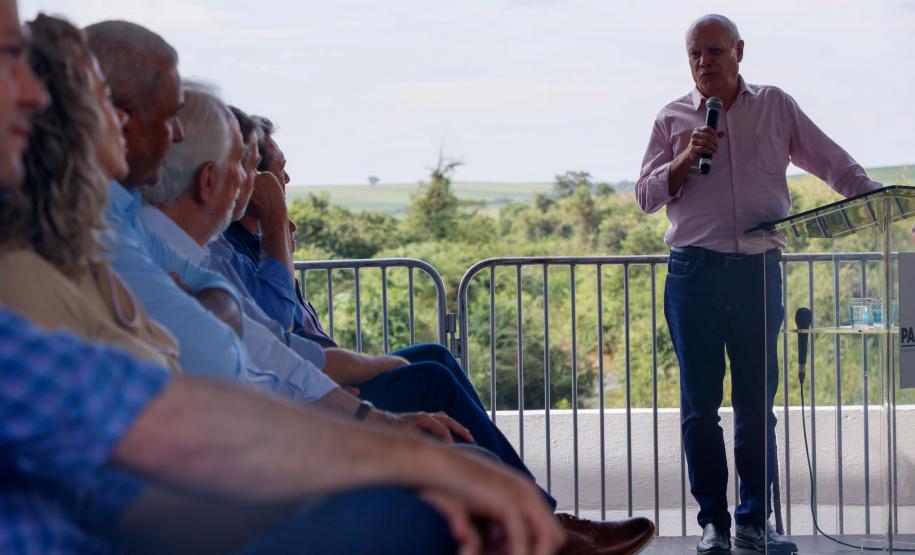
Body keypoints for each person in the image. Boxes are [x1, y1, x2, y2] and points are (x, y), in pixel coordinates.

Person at [143, 84, 656, 555]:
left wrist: (369, 403)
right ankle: (541, 527)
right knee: (434, 403)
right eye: (247, 167)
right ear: (211, 179)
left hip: (284, 421)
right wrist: (369, 419)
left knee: (434, 370)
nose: (261, 183)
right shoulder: (184, 257)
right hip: (264, 448)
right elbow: (277, 351)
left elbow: (276, 349)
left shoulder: (197, 254)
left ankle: (544, 521)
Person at [635, 13, 882, 555]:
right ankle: (713, 526)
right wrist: (683, 156)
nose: (704, 63)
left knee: (755, 406)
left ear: (739, 51)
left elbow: (830, 160)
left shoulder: (776, 106)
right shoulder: (672, 117)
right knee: (700, 407)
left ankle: (753, 523)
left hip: (757, 274)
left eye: (715, 51)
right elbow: (646, 196)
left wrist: (873, 198)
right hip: (692, 275)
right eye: (695, 54)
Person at [0, 14, 180, 375]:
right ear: (67, 121)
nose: (124, 120)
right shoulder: (24, 276)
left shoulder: (85, 256)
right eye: (106, 98)